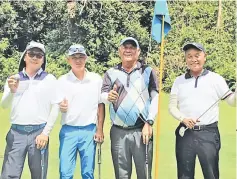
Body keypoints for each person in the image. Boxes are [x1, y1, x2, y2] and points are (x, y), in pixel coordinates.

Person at [169, 42, 236, 179]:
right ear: (186, 59)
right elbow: (171, 107)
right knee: (184, 175)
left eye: (197, 55)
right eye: (189, 56)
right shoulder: (178, 81)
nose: (193, 59)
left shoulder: (216, 79)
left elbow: (231, 101)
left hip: (208, 133)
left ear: (204, 57)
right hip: (185, 133)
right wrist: (183, 119)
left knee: (211, 174)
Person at [101, 37, 159, 179]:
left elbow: (156, 98)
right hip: (118, 132)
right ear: (119, 51)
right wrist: (107, 96)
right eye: (125, 47)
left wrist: (149, 122)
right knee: (121, 175)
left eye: (132, 47)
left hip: (142, 130)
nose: (128, 50)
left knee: (144, 175)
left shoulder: (148, 71)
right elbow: (102, 95)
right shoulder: (110, 73)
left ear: (138, 52)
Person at [0, 41, 60, 179]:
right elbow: (4, 105)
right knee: (9, 175)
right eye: (31, 54)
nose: (35, 57)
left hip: (39, 134)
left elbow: (56, 106)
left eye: (39, 55)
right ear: (25, 57)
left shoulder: (49, 79)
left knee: (39, 176)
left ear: (43, 59)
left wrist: (45, 133)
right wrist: (12, 91)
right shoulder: (14, 79)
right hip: (16, 134)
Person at [57, 44, 105, 179]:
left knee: (88, 173)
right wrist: (62, 107)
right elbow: (58, 105)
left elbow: (100, 105)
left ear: (86, 58)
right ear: (68, 60)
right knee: (65, 173)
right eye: (74, 57)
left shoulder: (96, 79)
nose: (78, 61)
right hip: (68, 131)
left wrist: (100, 129)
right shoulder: (62, 81)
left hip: (89, 131)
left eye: (81, 57)